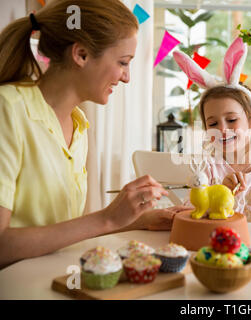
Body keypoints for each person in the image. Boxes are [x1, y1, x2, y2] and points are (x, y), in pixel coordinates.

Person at [0, 0, 189, 269]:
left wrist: (137, 219)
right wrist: (108, 218)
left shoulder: (79, 126)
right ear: (81, 54)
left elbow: (62, 231)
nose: (127, 78)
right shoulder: (7, 109)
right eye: (123, 62)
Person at [172, 38, 251, 224]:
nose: (222, 129)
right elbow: (190, 218)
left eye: (232, 120)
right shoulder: (206, 171)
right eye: (212, 124)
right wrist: (219, 191)